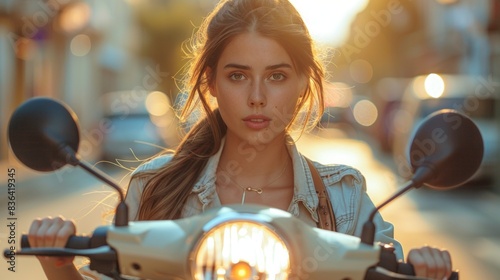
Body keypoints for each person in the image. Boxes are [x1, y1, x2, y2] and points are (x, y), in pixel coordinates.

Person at [27, 0, 453, 279]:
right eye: (237, 75)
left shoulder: (346, 197)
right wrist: (57, 263)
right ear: (211, 82)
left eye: (277, 76)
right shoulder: (154, 188)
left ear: (303, 83)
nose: (257, 97)